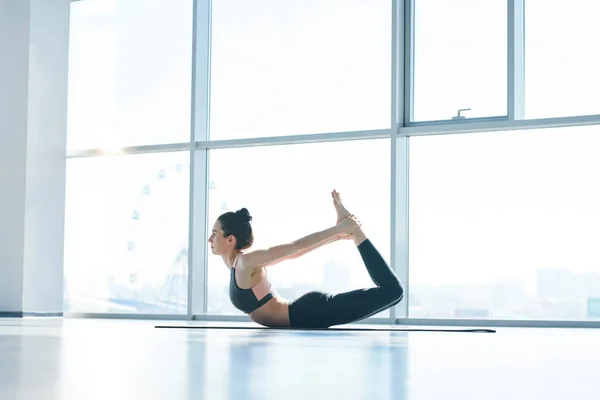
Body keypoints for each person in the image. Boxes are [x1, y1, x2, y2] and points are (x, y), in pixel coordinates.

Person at [208, 189, 404, 329]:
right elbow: (295, 254)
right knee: (393, 293)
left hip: (310, 313)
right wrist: (336, 236)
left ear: (230, 239)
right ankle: (349, 228)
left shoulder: (245, 262)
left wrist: (338, 230)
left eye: (214, 234)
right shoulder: (237, 265)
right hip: (306, 314)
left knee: (393, 291)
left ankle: (354, 229)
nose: (210, 239)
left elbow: (295, 246)